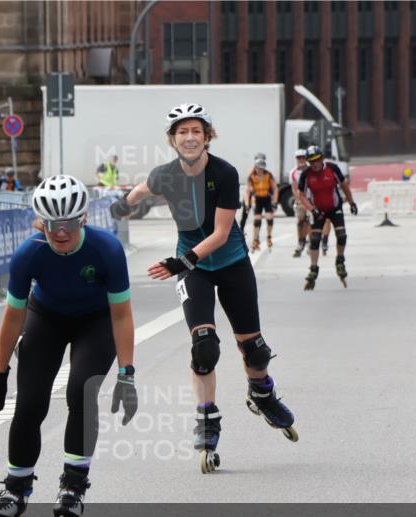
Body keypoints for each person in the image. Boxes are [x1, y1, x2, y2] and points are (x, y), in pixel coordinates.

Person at [109, 103, 297, 474]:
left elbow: (222, 233)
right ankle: (207, 419)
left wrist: (182, 261)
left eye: (197, 131)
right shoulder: (164, 174)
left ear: (208, 136)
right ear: (172, 139)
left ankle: (262, 393)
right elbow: (142, 191)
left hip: (229, 263)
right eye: (183, 132)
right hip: (192, 270)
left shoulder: (225, 173)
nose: (190, 137)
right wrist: (119, 207)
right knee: (204, 346)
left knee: (254, 352)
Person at [0, 174, 137, 517]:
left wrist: (127, 373)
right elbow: (13, 317)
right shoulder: (28, 254)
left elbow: (121, 315)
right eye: (51, 224)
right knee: (31, 403)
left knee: (81, 391)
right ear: (40, 221)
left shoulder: (106, 249)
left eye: (68, 223)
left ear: (83, 218)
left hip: (95, 323)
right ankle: (15, 491)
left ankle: (73, 485)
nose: (60, 232)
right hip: (46, 318)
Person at [297, 145, 358, 290]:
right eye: (311, 162)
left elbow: (344, 186)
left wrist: (351, 203)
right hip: (318, 210)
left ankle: (340, 260)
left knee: (341, 235)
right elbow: (301, 195)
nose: (315, 164)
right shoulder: (306, 174)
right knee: (315, 240)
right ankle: (313, 268)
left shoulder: (332, 168)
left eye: (317, 160)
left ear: (322, 158)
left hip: (334, 207)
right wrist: (312, 209)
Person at [245, 157, 278, 252]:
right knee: (257, 220)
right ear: (255, 167)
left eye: (262, 168)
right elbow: (247, 191)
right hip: (257, 198)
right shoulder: (251, 176)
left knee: (269, 218)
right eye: (258, 168)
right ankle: (255, 239)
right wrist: (247, 204)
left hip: (266, 198)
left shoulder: (268, 175)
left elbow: (275, 188)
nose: (260, 170)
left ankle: (269, 237)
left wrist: (275, 202)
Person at [289, 148, 310, 258]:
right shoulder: (293, 172)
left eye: (303, 157)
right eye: (299, 158)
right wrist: (300, 199)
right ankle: (300, 241)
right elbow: (294, 188)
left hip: (310, 199)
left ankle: (310, 243)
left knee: (310, 221)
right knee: (300, 221)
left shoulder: (310, 170)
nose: (301, 159)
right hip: (300, 200)